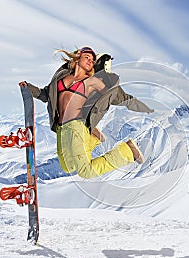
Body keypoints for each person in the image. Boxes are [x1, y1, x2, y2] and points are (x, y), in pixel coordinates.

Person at [19, 47, 153, 179]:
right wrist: (28, 88)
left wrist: (141, 106)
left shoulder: (92, 81)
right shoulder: (61, 77)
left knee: (86, 171)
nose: (90, 61)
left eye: (93, 60)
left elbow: (115, 95)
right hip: (61, 128)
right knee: (67, 166)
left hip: (76, 125)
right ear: (78, 58)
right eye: (87, 57)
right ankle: (94, 138)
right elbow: (45, 95)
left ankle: (128, 151)